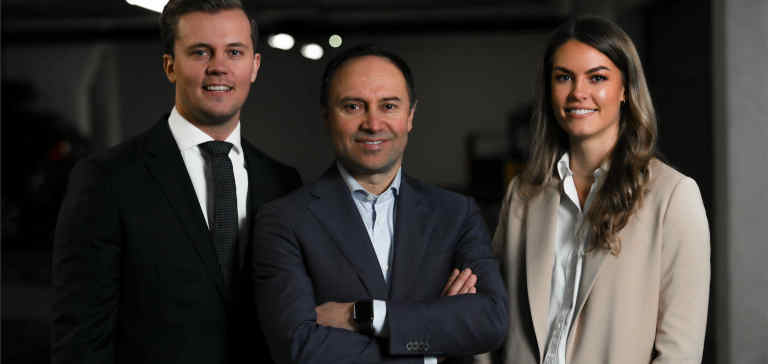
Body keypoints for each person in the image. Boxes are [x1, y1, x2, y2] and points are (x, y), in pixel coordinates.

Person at [51, 1, 301, 363]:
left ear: (254, 66)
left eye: (234, 52)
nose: (219, 67)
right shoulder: (107, 179)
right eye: (200, 52)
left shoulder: (283, 182)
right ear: (170, 65)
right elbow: (80, 339)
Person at [252, 44, 509, 363]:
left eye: (388, 106)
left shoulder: (456, 214)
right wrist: (431, 343)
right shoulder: (283, 220)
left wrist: (367, 315)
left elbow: (490, 322)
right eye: (353, 106)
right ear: (326, 116)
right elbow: (300, 348)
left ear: (410, 115)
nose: (373, 124)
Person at [490, 16, 710, 364]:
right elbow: (491, 316)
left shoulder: (673, 197)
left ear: (625, 89)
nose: (579, 92)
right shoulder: (522, 194)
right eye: (564, 77)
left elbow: (679, 352)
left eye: (598, 78)